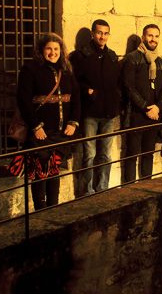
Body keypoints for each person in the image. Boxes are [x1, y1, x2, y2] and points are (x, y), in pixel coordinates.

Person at [15, 33, 80, 210]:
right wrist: (36, 126)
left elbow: (76, 98)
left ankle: (53, 207)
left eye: (56, 49)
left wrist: (73, 122)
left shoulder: (66, 70)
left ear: (61, 50)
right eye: (49, 49)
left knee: (54, 171)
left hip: (61, 131)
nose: (53, 52)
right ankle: (40, 209)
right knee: (39, 172)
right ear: (42, 50)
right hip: (41, 131)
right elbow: (23, 100)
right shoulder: (30, 69)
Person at [70, 19, 120, 195]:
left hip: (108, 113)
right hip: (90, 113)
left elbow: (117, 84)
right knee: (89, 154)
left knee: (106, 154)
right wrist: (87, 91)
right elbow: (73, 83)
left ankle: (103, 187)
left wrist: (116, 104)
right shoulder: (79, 56)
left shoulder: (112, 56)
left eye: (106, 33)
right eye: (99, 32)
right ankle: (88, 191)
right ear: (92, 33)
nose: (102, 36)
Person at [121, 24, 162, 183]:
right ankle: (130, 189)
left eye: (156, 36)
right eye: (150, 35)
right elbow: (129, 86)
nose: (153, 39)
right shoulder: (132, 58)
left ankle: (146, 186)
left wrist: (158, 107)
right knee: (132, 154)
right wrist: (145, 107)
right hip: (136, 114)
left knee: (148, 153)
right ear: (143, 37)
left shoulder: (160, 61)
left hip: (153, 114)